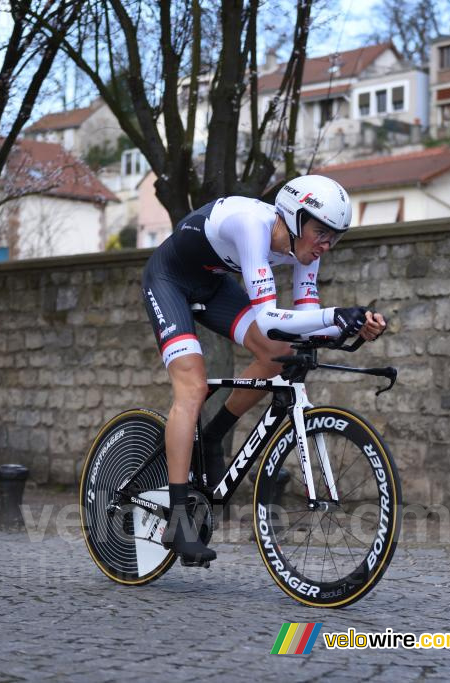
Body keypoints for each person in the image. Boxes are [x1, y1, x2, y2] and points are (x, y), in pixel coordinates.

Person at [141, 175, 387, 565]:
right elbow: (271, 319)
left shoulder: (306, 247)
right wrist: (337, 315)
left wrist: (351, 324)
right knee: (192, 386)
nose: (326, 244)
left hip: (214, 286)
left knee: (280, 353)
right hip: (169, 280)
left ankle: (212, 437)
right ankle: (176, 518)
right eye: (321, 232)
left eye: (335, 237)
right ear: (293, 218)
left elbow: (304, 321)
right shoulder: (250, 225)